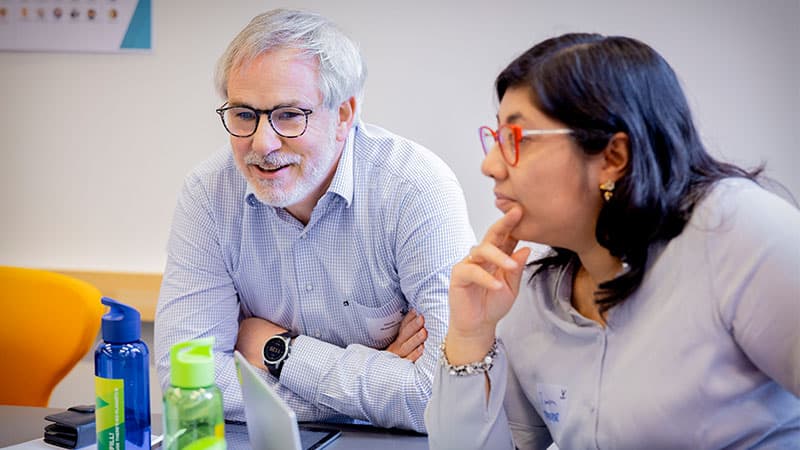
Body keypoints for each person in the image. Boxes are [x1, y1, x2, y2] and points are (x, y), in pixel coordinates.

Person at [425, 33, 800, 449]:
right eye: (496, 139)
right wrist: (470, 336)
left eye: (518, 139)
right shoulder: (533, 292)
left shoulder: (738, 231)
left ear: (613, 157)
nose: (490, 165)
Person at [154, 9, 474, 432]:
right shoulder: (208, 193)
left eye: (289, 115)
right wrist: (375, 385)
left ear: (344, 115)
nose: (262, 144)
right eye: (244, 114)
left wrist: (276, 351)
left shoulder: (415, 188)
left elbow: (439, 396)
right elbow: (188, 384)